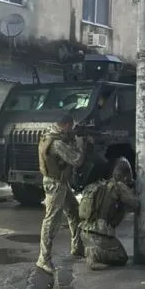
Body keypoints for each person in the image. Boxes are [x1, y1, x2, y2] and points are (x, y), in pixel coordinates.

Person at [36, 113, 85, 274]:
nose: (71, 129)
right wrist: (79, 144)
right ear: (66, 125)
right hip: (55, 184)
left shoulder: (51, 133)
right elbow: (77, 160)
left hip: (60, 182)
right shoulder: (57, 143)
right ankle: (44, 259)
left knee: (74, 211)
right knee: (51, 220)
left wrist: (70, 137)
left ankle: (77, 247)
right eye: (71, 126)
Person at [78, 159, 140, 269]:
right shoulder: (119, 187)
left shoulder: (100, 185)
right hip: (99, 236)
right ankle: (95, 254)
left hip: (84, 234)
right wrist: (132, 188)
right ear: (125, 177)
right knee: (121, 257)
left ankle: (89, 250)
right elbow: (136, 204)